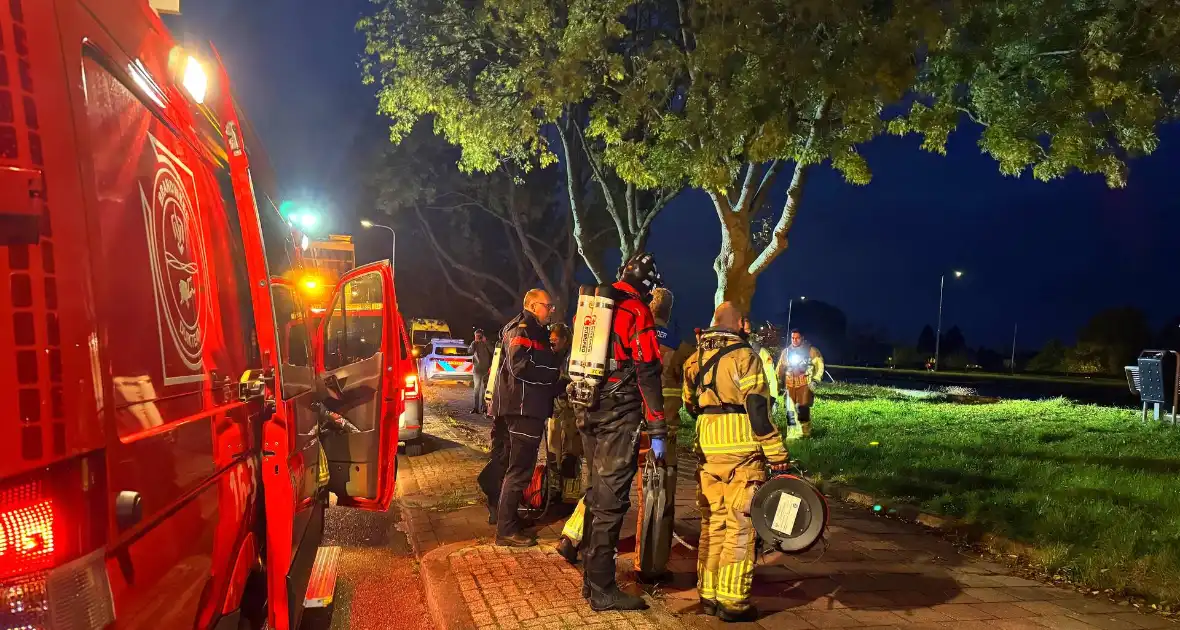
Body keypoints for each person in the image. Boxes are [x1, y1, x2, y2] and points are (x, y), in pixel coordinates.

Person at [554, 287, 688, 584]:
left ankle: (571, 537)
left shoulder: (622, 330)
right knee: (655, 498)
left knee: (604, 487)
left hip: (617, 424)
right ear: (668, 312)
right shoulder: (681, 348)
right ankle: (648, 565)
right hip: (658, 434)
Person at [683, 302, 790, 622]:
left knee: (712, 524)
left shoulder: (693, 359)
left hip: (707, 452)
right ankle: (733, 601)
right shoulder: (746, 358)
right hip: (742, 453)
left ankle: (708, 594)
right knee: (740, 526)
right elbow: (758, 410)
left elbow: (690, 406)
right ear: (740, 323)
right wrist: (777, 453)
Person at [576, 252, 668, 612]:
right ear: (648, 286)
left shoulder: (592, 304)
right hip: (619, 412)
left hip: (586, 406)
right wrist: (657, 426)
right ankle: (601, 588)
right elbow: (647, 368)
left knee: (594, 492)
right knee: (611, 500)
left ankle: (590, 581)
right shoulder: (636, 310)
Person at [481, 289, 561, 546]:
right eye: (548, 306)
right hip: (524, 410)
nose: (551, 310)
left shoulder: (531, 329)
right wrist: (554, 375)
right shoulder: (523, 329)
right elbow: (520, 367)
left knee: (514, 468)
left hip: (524, 408)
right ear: (534, 305)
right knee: (520, 470)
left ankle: (509, 519)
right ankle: (505, 530)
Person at [546, 323, 582, 491]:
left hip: (570, 408)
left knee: (570, 451)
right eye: (550, 340)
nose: (552, 344)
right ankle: (554, 488)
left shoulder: (572, 355)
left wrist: (556, 386)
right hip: (556, 408)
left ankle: (570, 492)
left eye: (555, 340)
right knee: (553, 448)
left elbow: (568, 378)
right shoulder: (554, 355)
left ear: (565, 340)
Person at [776, 329, 824, 438]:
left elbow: (820, 365)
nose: (794, 340)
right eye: (793, 338)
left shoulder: (811, 350)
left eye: (797, 338)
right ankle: (792, 434)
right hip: (789, 385)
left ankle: (805, 432)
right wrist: (778, 382)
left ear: (802, 338)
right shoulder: (786, 352)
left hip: (804, 384)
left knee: (802, 409)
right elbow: (780, 367)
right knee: (790, 410)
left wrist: (816, 380)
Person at [741, 319, 780, 415]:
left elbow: (771, 377)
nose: (746, 335)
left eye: (748, 332)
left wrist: (773, 398)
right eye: (743, 331)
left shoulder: (761, 353)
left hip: (756, 401)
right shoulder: (730, 353)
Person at [469, 329, 493, 414]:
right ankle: (475, 408)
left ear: (482, 336)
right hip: (477, 369)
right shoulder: (474, 344)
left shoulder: (486, 343)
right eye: (476, 335)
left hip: (486, 369)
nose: (477, 337)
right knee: (476, 389)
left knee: (484, 389)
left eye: (479, 335)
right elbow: (470, 352)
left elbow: (492, 351)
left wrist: (486, 342)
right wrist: (473, 343)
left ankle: (484, 407)